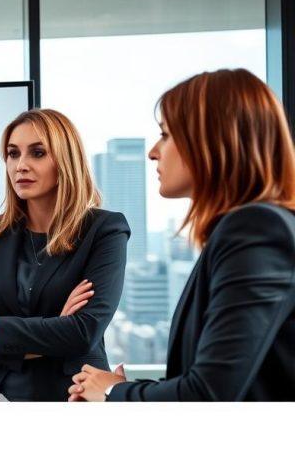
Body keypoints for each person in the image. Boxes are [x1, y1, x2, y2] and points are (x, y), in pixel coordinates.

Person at [70, 69, 295, 401]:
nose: (153, 152)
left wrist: (114, 393)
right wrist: (121, 388)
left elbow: (208, 395)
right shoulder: (242, 228)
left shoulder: (257, 229)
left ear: (211, 140)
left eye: (165, 135)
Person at [0, 109, 130, 401]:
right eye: (13, 154)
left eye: (38, 153)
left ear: (65, 161)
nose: (21, 165)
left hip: (70, 396)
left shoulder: (105, 230)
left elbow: (82, 333)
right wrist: (55, 327)